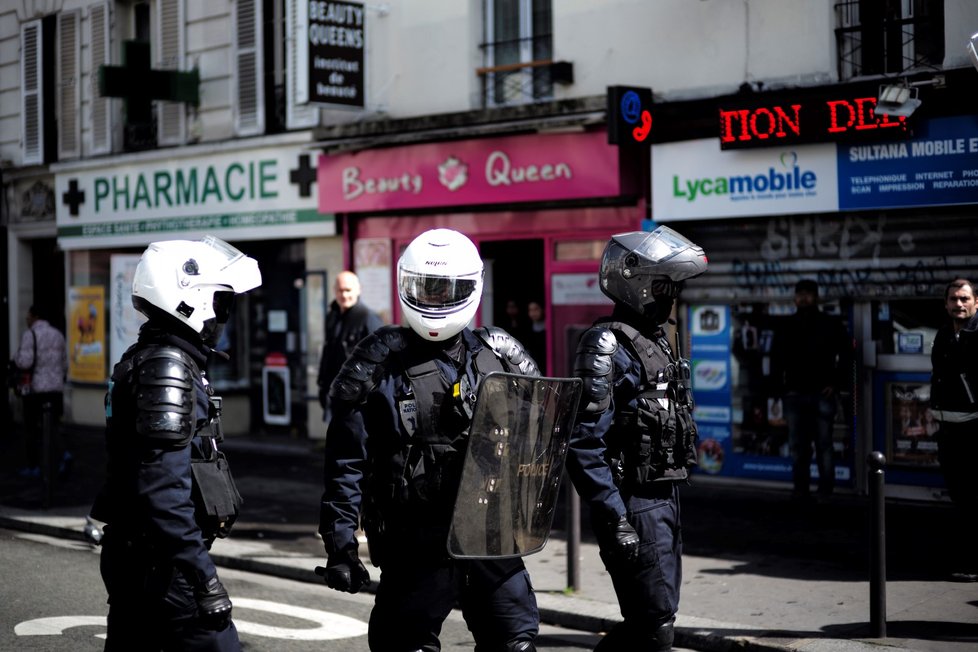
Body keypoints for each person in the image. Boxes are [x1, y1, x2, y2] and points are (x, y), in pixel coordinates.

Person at [318, 228, 542, 651]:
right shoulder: (379, 364)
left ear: (472, 288)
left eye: (447, 290)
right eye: (427, 289)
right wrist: (341, 546)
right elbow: (347, 463)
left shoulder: (497, 353)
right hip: (415, 541)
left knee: (516, 641)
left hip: (489, 537)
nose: (436, 300)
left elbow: (538, 437)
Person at [90, 236, 262, 651]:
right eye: (219, 302)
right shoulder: (167, 366)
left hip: (144, 557)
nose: (222, 314)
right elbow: (163, 491)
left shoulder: (155, 357)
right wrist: (203, 576)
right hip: (163, 565)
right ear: (190, 301)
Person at [565, 226, 708, 652]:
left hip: (664, 498)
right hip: (633, 503)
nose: (672, 297)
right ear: (638, 283)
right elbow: (584, 444)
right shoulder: (606, 345)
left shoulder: (656, 341)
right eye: (666, 286)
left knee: (654, 618)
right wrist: (614, 517)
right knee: (655, 624)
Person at [771, 279, 852, 501]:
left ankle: (826, 490)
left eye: (808, 294)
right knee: (799, 446)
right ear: (795, 297)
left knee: (823, 444)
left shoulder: (830, 324)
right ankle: (801, 490)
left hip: (821, 394)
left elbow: (847, 355)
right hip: (795, 394)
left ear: (816, 297)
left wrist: (835, 383)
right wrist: (780, 391)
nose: (804, 298)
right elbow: (776, 360)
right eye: (800, 294)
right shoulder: (786, 325)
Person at [929, 277, 978, 582]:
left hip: (974, 428)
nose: (958, 304)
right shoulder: (944, 334)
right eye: (952, 299)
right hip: (948, 428)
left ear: (976, 302)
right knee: (961, 496)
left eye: (963, 299)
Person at [316, 270, 384, 424]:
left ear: (358, 289)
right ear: (334, 290)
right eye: (340, 290)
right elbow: (327, 353)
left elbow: (381, 362)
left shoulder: (368, 317)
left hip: (357, 400)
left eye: (348, 290)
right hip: (333, 395)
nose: (344, 295)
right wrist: (321, 385)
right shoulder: (332, 317)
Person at [12, 304, 68, 478]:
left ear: (35, 316)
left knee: (31, 429)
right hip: (55, 389)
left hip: (36, 389)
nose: (26, 318)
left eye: (28, 315)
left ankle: (34, 467)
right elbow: (64, 363)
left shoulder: (30, 335)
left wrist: (15, 358)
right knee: (53, 426)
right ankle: (62, 457)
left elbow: (25, 362)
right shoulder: (58, 335)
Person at [525, 300, 547, 371]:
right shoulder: (527, 329)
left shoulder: (549, 329)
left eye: (536, 309)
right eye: (530, 310)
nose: (533, 313)